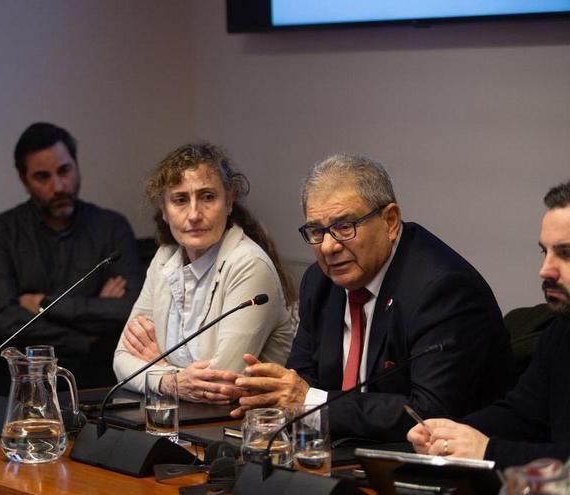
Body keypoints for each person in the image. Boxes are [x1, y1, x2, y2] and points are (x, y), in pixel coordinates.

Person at [233, 153, 513, 441]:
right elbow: (303, 382)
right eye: (317, 231)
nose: (328, 247)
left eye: (344, 226)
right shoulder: (320, 282)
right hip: (339, 454)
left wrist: (309, 402)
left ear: (390, 221)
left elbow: (428, 414)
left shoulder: (443, 289)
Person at [113, 143, 297, 401]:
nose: (194, 214)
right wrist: (171, 380)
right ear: (164, 211)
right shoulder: (165, 258)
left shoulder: (248, 264)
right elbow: (121, 360)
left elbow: (221, 384)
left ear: (230, 202)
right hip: (182, 419)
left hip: (240, 427)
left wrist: (158, 368)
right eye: (180, 200)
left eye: (208, 197)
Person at [407, 179, 570, 468]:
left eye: (565, 254)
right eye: (544, 252)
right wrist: (449, 433)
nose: (545, 269)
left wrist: (487, 450)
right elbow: (522, 415)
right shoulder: (561, 329)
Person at [0, 122, 143, 388]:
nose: (58, 186)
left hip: (98, 374)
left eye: (64, 171)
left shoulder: (112, 227)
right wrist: (86, 337)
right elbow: (4, 323)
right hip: (23, 375)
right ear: (24, 180)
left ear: (77, 166)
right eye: (42, 177)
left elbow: (129, 310)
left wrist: (44, 303)